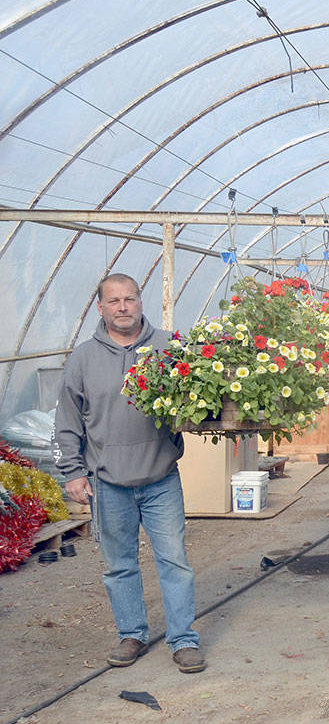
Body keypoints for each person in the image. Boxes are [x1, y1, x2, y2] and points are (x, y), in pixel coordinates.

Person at [53, 274, 205, 673]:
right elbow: (68, 419)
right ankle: (132, 634)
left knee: (174, 561)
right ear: (100, 307)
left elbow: (204, 395)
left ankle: (183, 640)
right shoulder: (84, 357)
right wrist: (73, 471)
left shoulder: (169, 348)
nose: (123, 307)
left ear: (141, 302)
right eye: (114, 300)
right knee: (119, 564)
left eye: (130, 299)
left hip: (160, 479)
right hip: (107, 483)